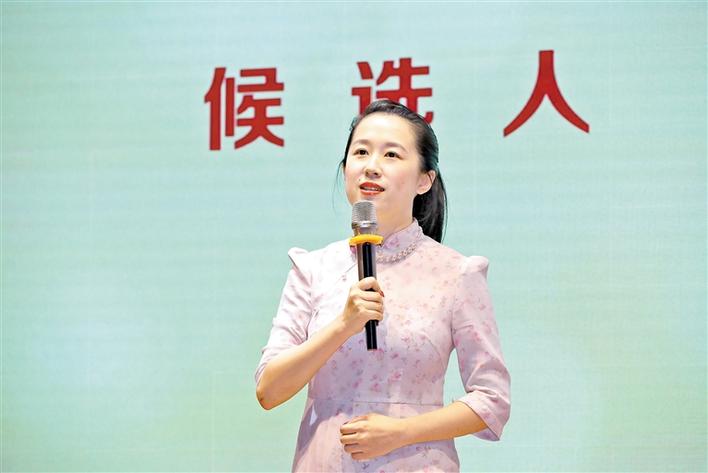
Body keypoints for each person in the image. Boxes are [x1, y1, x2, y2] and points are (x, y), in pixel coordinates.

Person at [255, 99, 511, 472]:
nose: (371, 166)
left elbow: (492, 399)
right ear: (345, 169)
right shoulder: (312, 269)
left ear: (424, 180)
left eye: (391, 155)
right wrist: (343, 325)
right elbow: (269, 390)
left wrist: (402, 432)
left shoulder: (457, 274)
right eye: (361, 152)